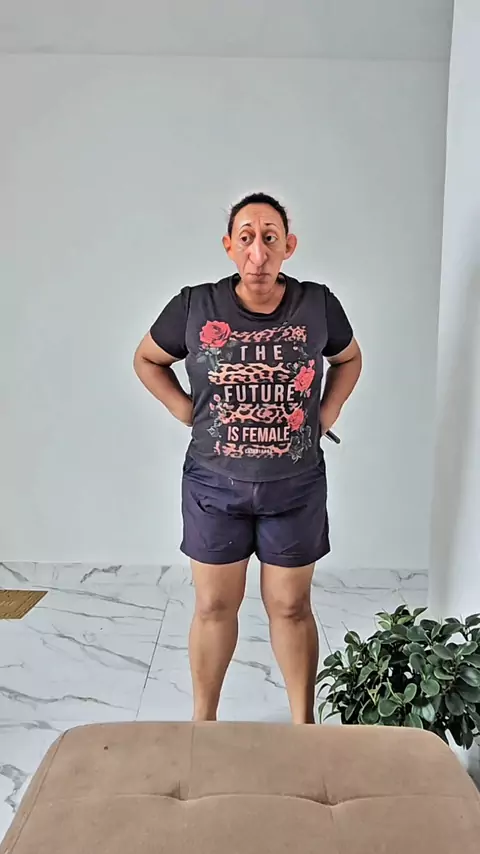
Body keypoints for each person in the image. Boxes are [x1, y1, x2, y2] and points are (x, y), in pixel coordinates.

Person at [134, 192, 362, 724]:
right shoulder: (195, 305)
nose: (258, 252)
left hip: (295, 486)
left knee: (291, 607)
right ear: (229, 246)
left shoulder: (317, 304)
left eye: (269, 237)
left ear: (288, 246)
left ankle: (303, 726)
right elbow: (147, 358)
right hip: (214, 486)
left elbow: (348, 358)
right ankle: (203, 724)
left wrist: (327, 412)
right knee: (214, 606)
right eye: (246, 238)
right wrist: (185, 411)